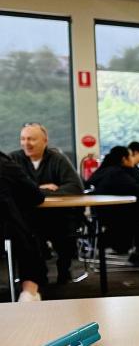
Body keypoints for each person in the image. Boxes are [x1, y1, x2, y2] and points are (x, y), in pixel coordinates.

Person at [17, 122, 84, 284]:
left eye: (32, 139)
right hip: (28, 217)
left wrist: (34, 192)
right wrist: (41, 189)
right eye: (23, 139)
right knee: (26, 234)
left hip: (57, 215)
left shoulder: (58, 159)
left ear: (45, 141)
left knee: (64, 234)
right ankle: (36, 275)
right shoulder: (14, 159)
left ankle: (64, 270)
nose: (27, 143)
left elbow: (75, 187)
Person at [0, 148, 47, 301]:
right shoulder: (7, 166)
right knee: (29, 235)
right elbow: (37, 197)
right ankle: (29, 292)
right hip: (7, 232)